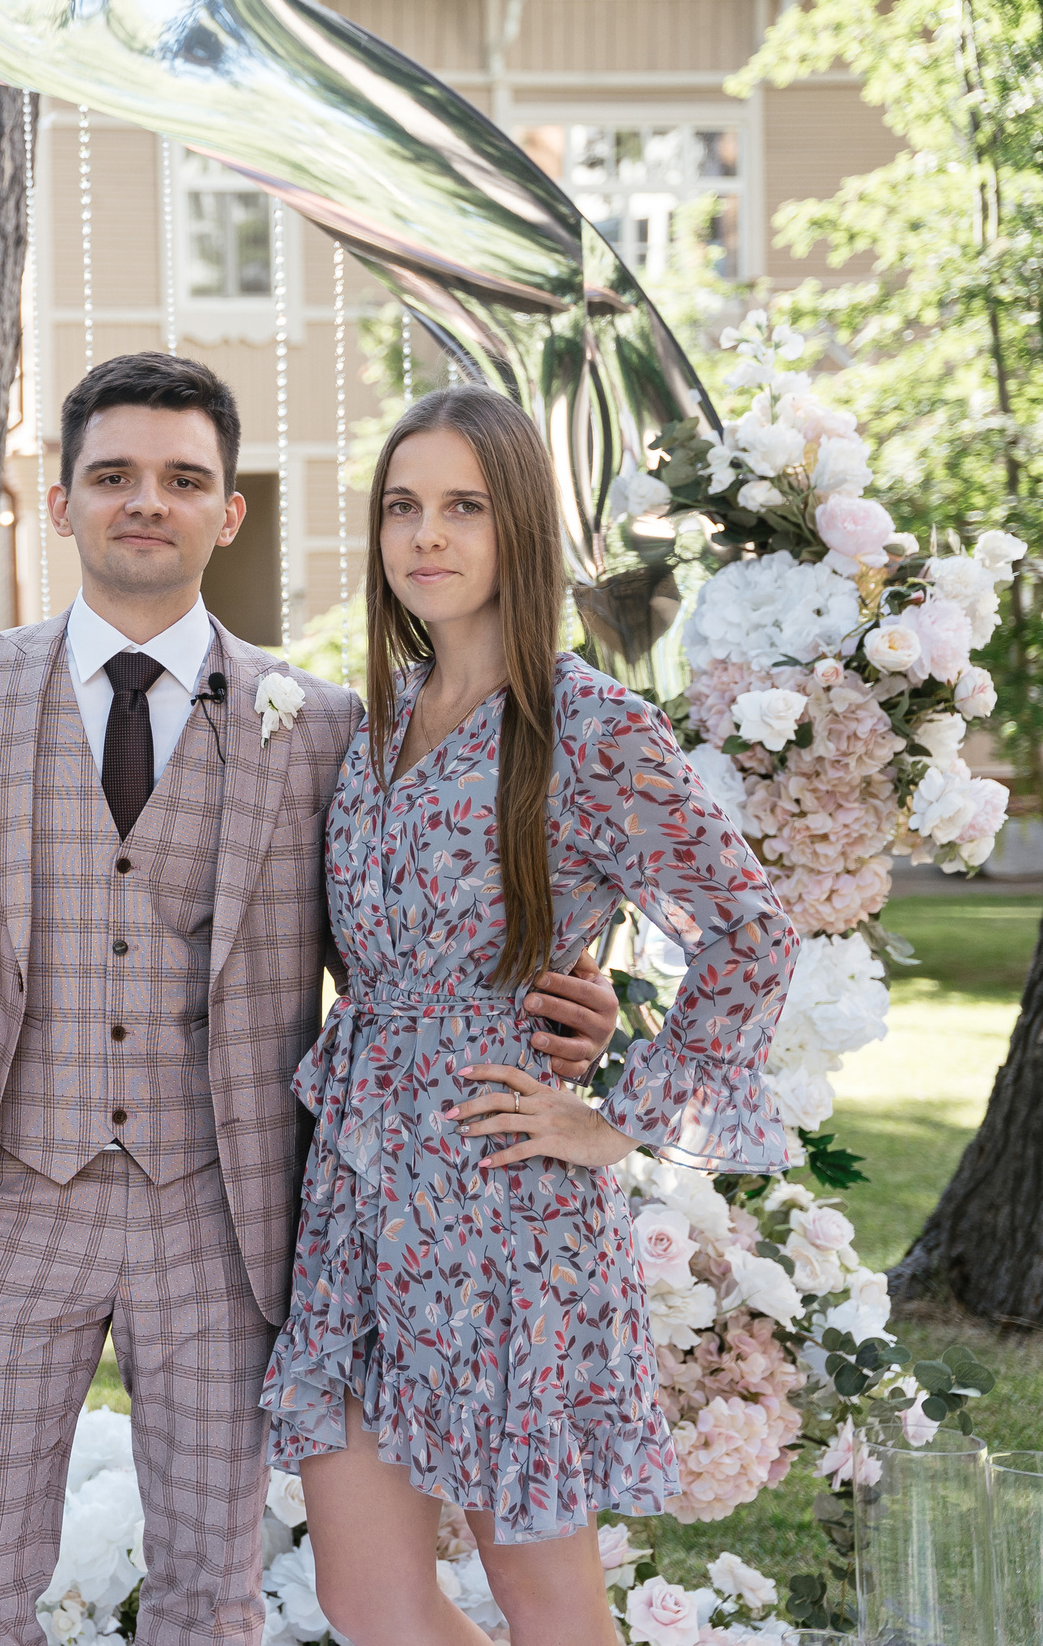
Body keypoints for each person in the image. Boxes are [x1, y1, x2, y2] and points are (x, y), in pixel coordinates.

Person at [0, 352, 621, 1646]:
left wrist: (578, 1000)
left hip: (224, 1208)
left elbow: (412, 932)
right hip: (7, 1194)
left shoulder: (315, 721)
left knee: (212, 1589)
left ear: (227, 511)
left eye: (184, 478)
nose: (149, 500)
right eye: (114, 475)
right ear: (60, 501)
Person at [260, 385, 799, 1645]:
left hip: (508, 1200)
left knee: (544, 1601)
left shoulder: (590, 728)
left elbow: (751, 931)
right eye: (402, 508)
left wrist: (620, 1121)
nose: (425, 537)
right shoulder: (369, 726)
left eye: (462, 506)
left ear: (517, 529)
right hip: (355, 1190)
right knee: (367, 1596)